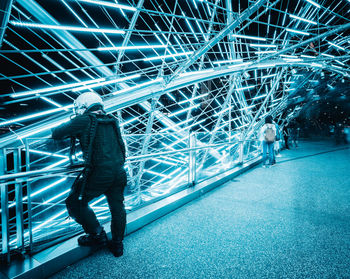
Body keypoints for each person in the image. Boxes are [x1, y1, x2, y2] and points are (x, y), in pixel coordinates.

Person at [51, 92, 127, 257]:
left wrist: (73, 123)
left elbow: (56, 133)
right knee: (117, 207)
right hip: (119, 171)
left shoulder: (84, 120)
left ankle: (96, 234)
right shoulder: (111, 120)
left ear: (83, 107)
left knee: (74, 202)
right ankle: (117, 245)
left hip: (100, 173)